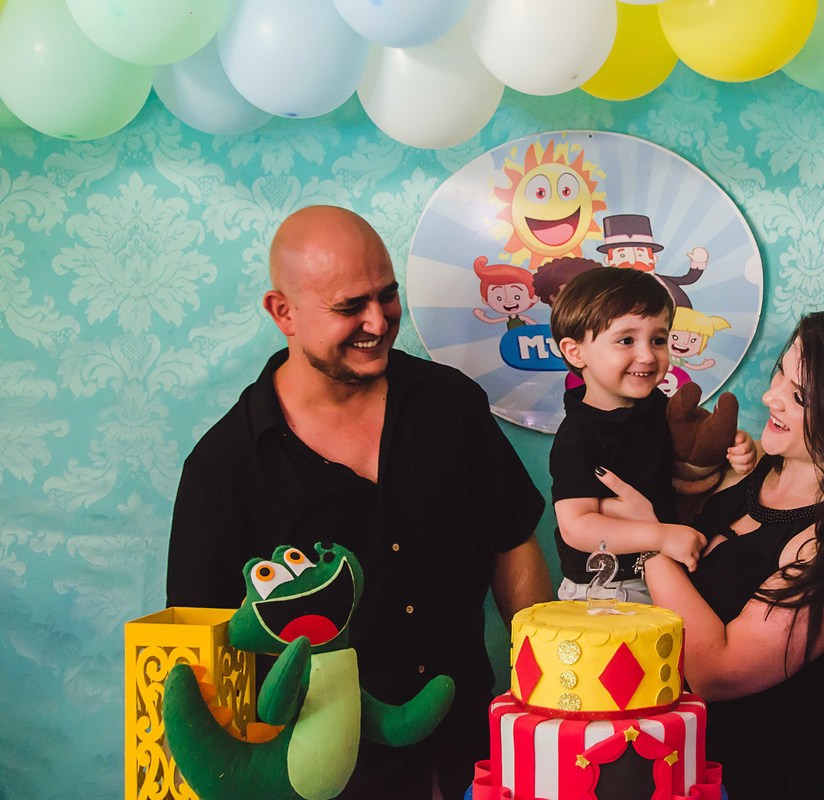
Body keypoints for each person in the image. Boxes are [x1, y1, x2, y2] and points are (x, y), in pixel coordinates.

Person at [165, 205, 552, 800]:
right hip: (319, 776)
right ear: (282, 312)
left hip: (474, 751)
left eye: (387, 295)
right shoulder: (223, 467)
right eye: (350, 307)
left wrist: (541, 693)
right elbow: (202, 653)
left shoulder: (450, 404)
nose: (378, 320)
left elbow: (512, 543)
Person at [596, 308, 824, 799]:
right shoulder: (755, 471)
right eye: (782, 372)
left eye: (799, 395)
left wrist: (649, 539)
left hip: (777, 777)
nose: (769, 396)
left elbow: (719, 670)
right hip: (692, 765)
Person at [548, 267, 752, 604]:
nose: (647, 355)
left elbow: (690, 454)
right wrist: (659, 535)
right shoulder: (578, 436)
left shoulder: (656, 407)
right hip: (606, 589)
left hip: (665, 569)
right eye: (626, 340)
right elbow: (577, 527)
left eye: (658, 340)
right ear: (575, 352)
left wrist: (736, 448)